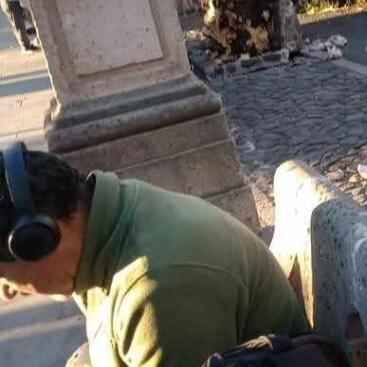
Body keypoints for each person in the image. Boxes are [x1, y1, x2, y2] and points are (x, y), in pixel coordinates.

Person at [0, 143, 310, 366]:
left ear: (39, 239)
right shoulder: (102, 225)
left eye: (4, 277)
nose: (8, 291)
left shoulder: (155, 290)